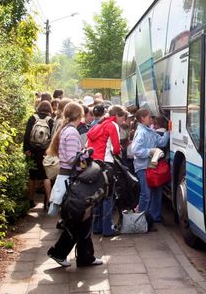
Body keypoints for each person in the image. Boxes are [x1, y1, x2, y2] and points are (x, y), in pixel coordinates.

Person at [46, 102, 103, 268]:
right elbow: (73, 159)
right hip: (72, 180)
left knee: (83, 219)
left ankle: (84, 256)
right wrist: (86, 153)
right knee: (81, 219)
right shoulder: (71, 132)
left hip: (68, 179)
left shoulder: (66, 130)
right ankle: (62, 253)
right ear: (80, 115)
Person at [87, 105, 128, 236]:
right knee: (108, 196)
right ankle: (107, 228)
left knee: (98, 196)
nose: (124, 121)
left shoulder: (99, 124)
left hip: (94, 164)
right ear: (117, 116)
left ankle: (97, 227)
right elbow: (116, 148)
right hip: (106, 163)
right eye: (123, 118)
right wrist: (119, 150)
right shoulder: (112, 125)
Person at [131, 108, 169, 223]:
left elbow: (162, 142)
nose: (152, 119)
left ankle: (153, 218)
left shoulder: (150, 131)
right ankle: (141, 221)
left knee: (156, 191)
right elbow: (136, 150)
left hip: (151, 166)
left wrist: (169, 131)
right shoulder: (142, 132)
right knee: (146, 194)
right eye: (149, 117)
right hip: (143, 167)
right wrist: (150, 152)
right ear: (142, 118)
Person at [23, 100, 54, 209]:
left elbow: (27, 135)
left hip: (32, 151)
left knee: (32, 177)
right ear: (49, 109)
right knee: (46, 176)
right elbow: (52, 138)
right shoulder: (50, 121)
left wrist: (26, 149)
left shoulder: (32, 118)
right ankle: (49, 202)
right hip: (44, 152)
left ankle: (31, 200)